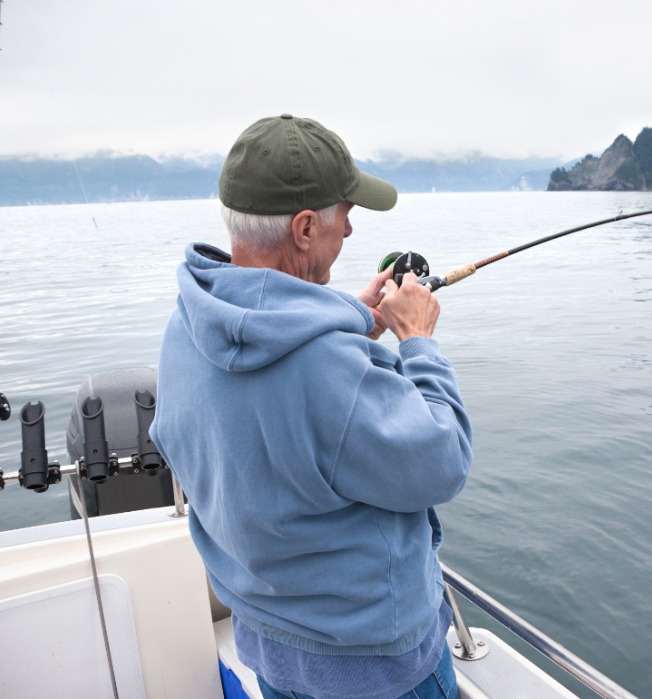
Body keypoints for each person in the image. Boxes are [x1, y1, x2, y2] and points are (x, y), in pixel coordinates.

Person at [150, 114, 473, 699]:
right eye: (345, 216)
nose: (349, 232)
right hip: (375, 672)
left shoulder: (186, 328)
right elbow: (443, 459)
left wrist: (346, 320)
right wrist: (418, 341)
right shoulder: (329, 371)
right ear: (304, 228)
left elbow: (264, 398)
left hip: (268, 648)